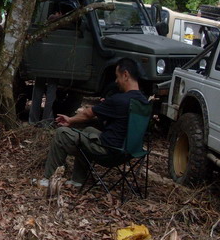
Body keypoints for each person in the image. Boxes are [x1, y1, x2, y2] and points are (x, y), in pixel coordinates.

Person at [33, 57, 148, 188]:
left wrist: (70, 120)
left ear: (125, 75)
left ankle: (48, 180)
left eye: (117, 77)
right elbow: (122, 122)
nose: (116, 81)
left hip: (109, 152)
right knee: (89, 131)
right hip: (128, 152)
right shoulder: (143, 102)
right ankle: (78, 180)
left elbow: (88, 114)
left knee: (61, 133)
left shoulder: (120, 100)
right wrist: (107, 108)